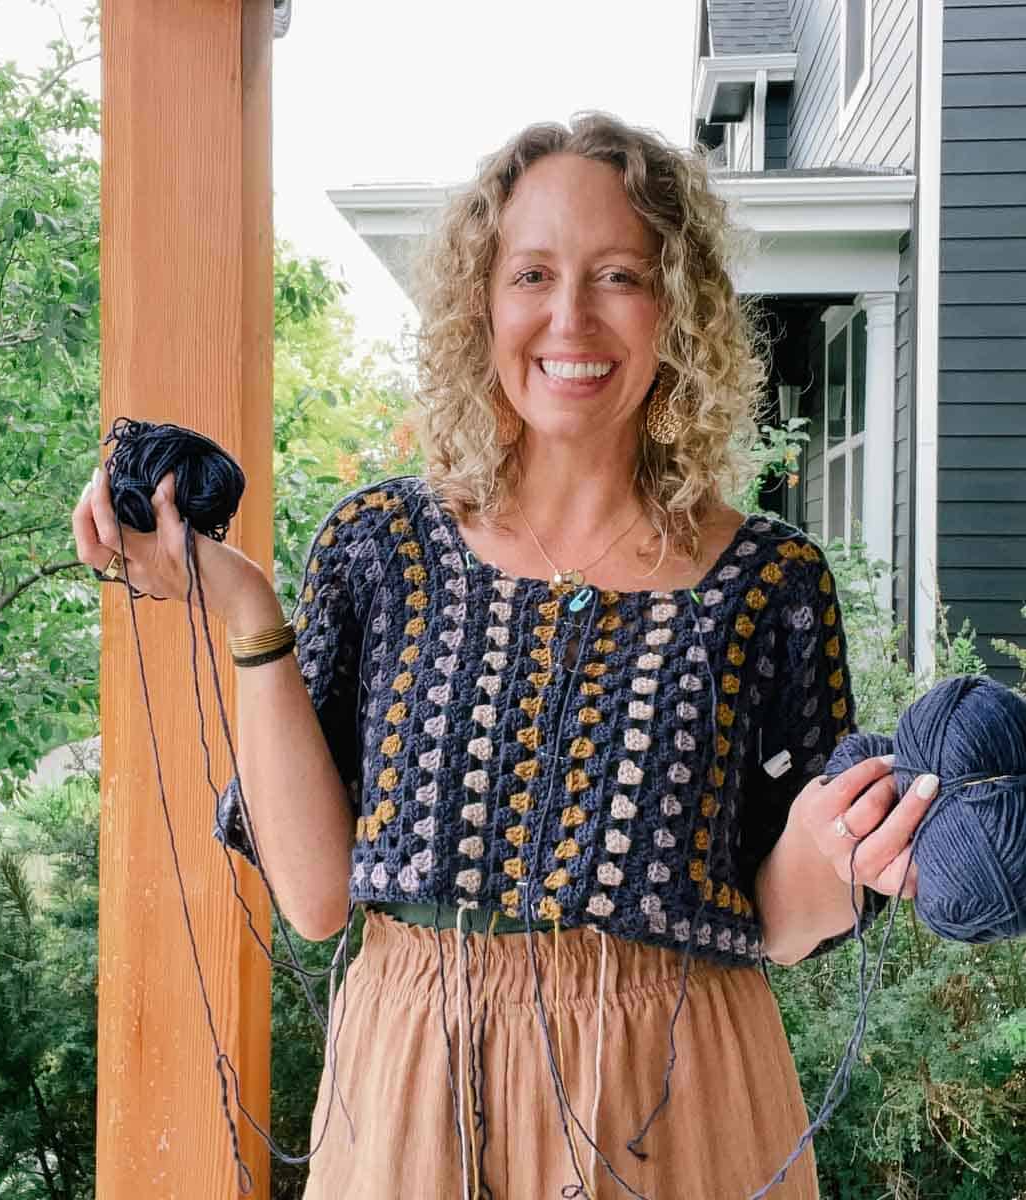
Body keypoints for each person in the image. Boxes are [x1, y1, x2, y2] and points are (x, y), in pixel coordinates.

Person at [72, 112, 938, 1199]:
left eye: (619, 275)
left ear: (678, 310)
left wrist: (844, 844)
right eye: (533, 272)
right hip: (412, 1092)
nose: (570, 316)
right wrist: (244, 608)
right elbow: (317, 897)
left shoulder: (770, 583)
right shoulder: (378, 547)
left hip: (676, 1099)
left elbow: (779, 917)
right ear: (482, 301)